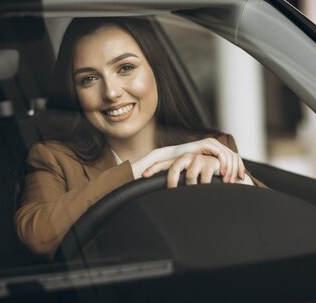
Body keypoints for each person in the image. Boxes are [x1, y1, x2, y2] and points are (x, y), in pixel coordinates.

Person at [15, 17, 264, 258]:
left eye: (126, 68)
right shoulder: (54, 158)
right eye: (89, 79)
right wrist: (144, 166)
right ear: (75, 92)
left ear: (156, 68)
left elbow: (270, 224)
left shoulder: (212, 147)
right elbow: (37, 236)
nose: (111, 92)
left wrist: (232, 179)